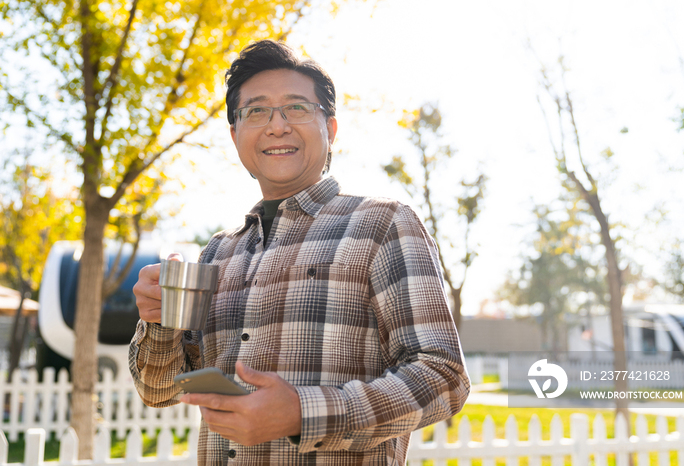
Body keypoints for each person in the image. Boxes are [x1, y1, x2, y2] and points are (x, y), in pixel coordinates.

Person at [129, 40, 469, 465]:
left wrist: (302, 414)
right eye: (256, 111)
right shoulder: (218, 253)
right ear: (235, 136)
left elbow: (443, 376)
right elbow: (159, 390)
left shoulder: (384, 225)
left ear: (330, 129)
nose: (277, 126)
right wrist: (159, 323)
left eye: (296, 108)